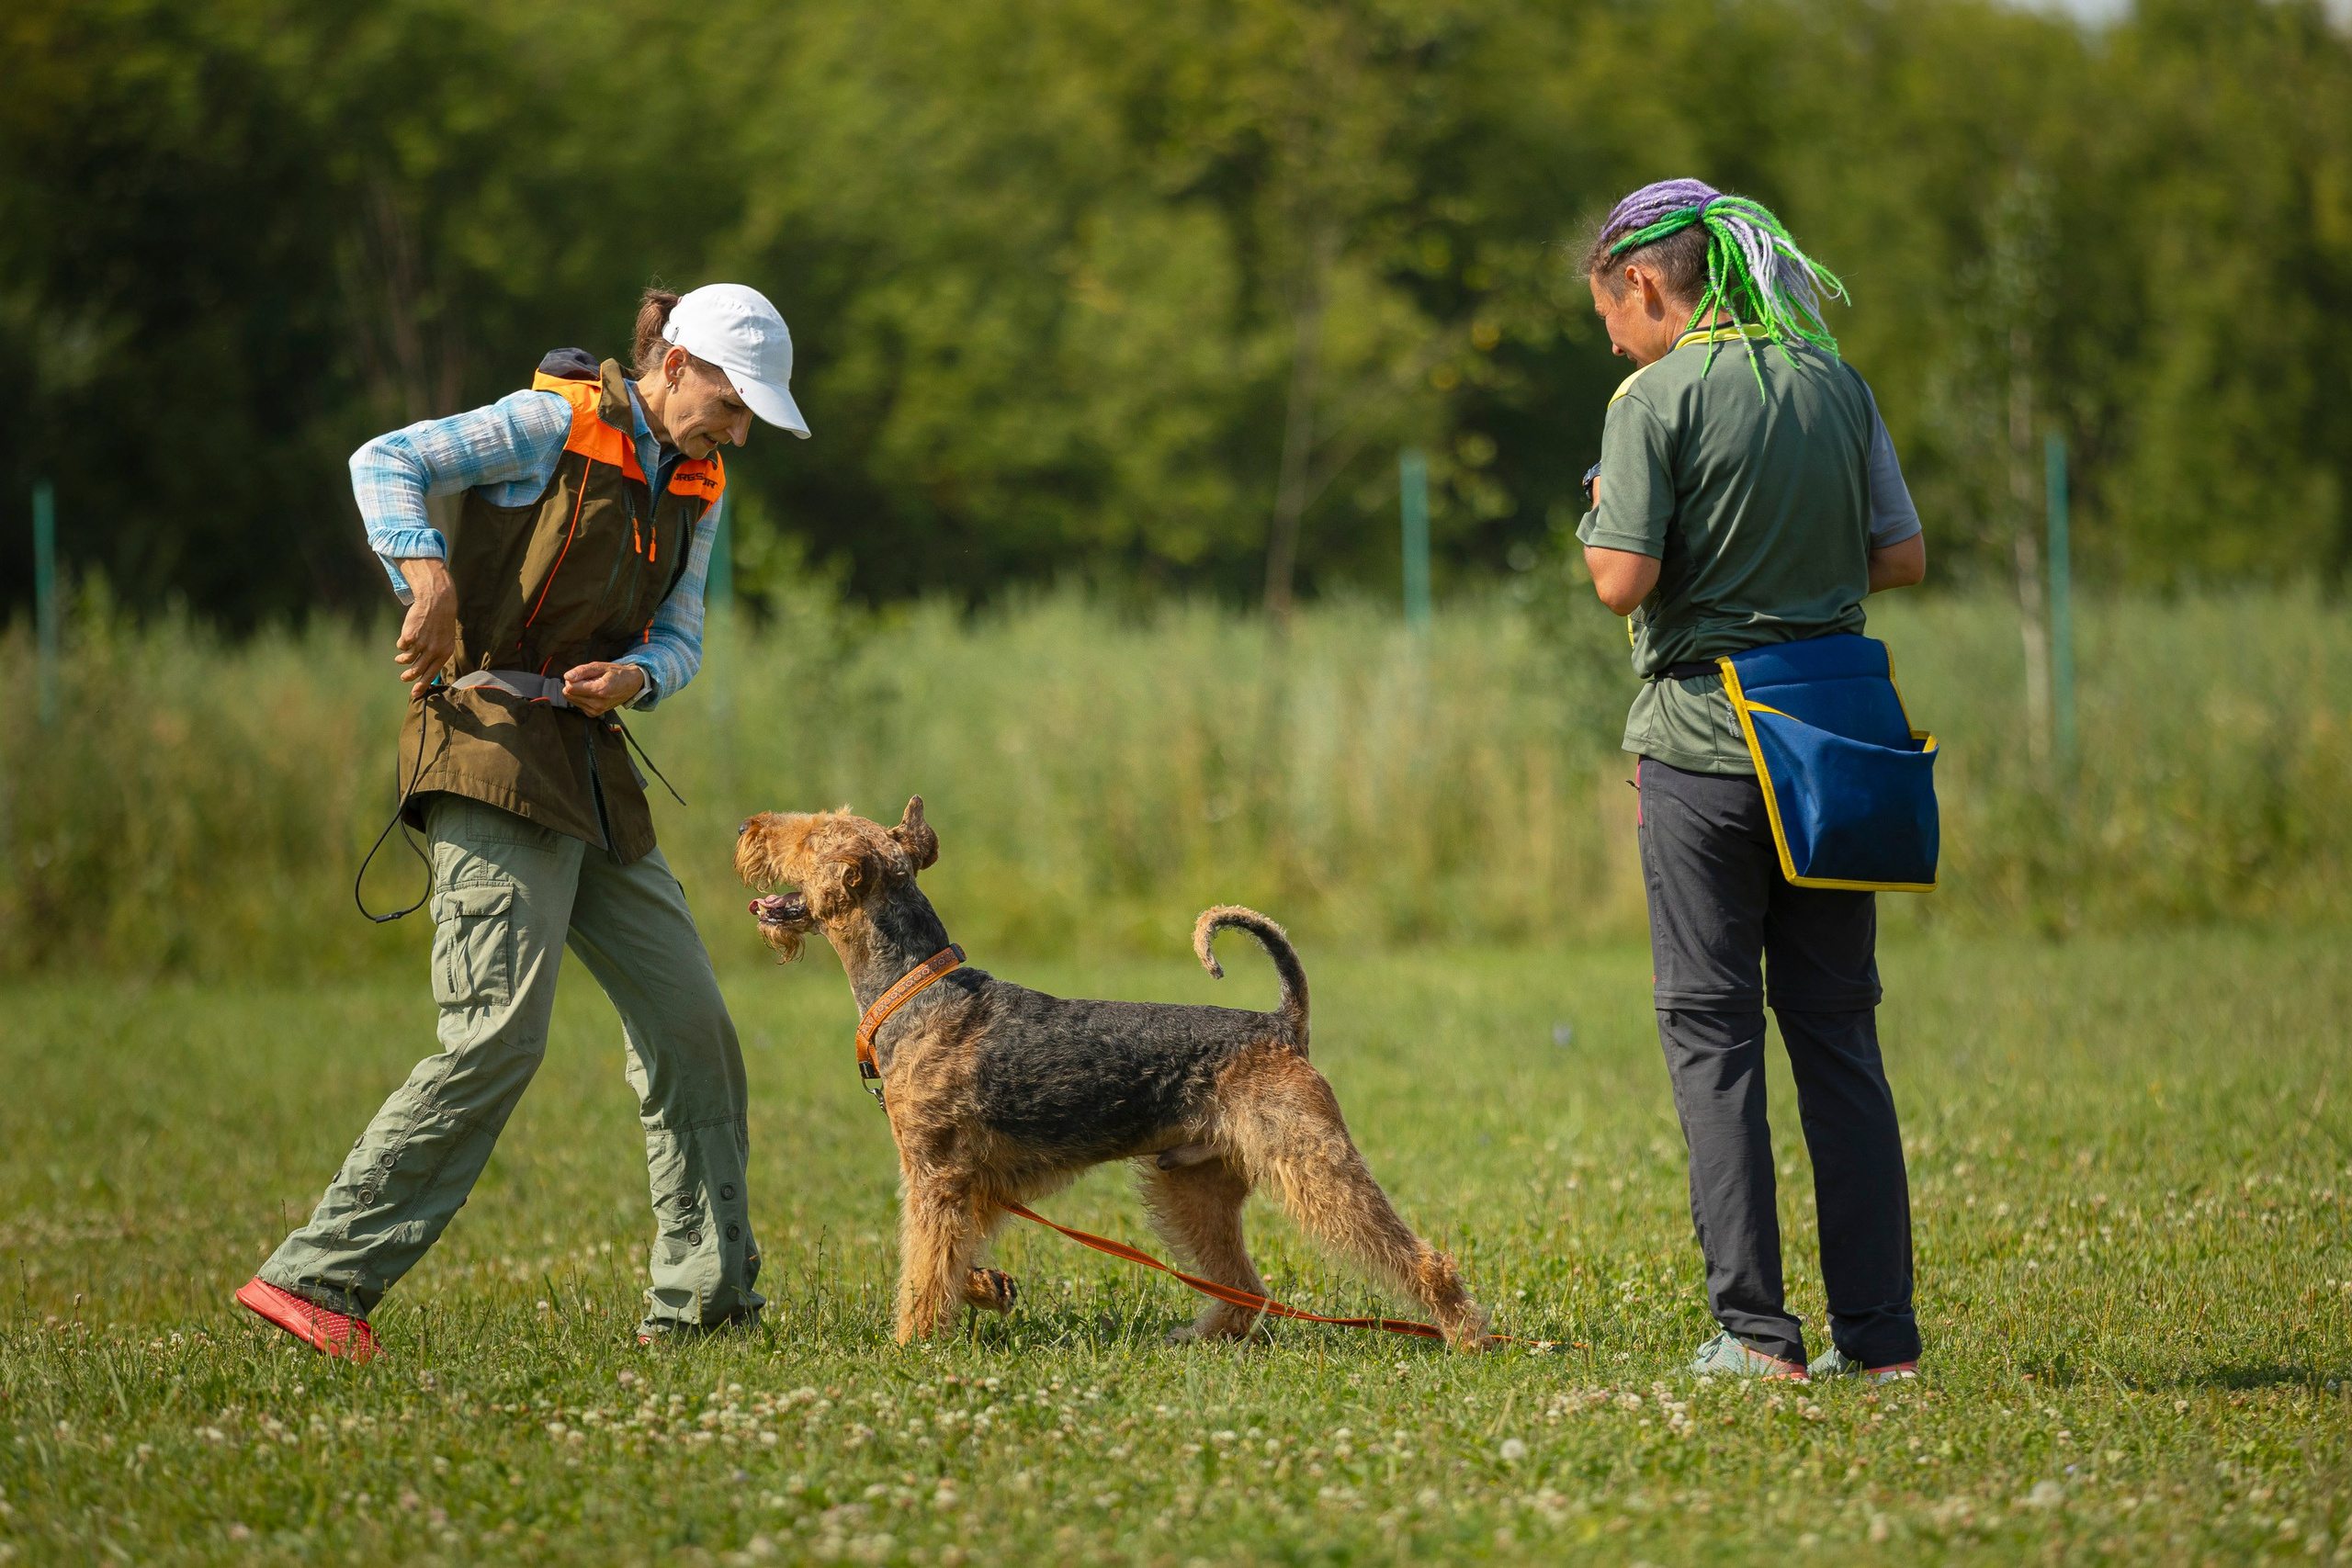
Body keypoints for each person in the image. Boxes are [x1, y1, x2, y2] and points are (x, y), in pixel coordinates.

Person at [235, 284, 810, 1359]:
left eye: (748, 420)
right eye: (732, 406)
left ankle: (706, 1303)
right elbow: (382, 461)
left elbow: (681, 638)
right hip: (490, 755)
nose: (737, 434)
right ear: (675, 364)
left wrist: (634, 680)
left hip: (591, 771)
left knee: (695, 1031)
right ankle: (318, 1278)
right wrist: (427, 576)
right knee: (497, 1035)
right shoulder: (547, 422)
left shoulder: (700, 482)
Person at [1575, 180, 1928, 1382]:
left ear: (1644, 283)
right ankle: (1879, 1343)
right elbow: (1903, 552)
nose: (1611, 342)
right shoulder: (1837, 380)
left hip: (1703, 745)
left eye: (1609, 317)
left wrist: (1602, 519)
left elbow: (1623, 578)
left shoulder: (1653, 396)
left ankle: (1757, 1333)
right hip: (1832, 742)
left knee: (1713, 1034)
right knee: (1838, 1037)